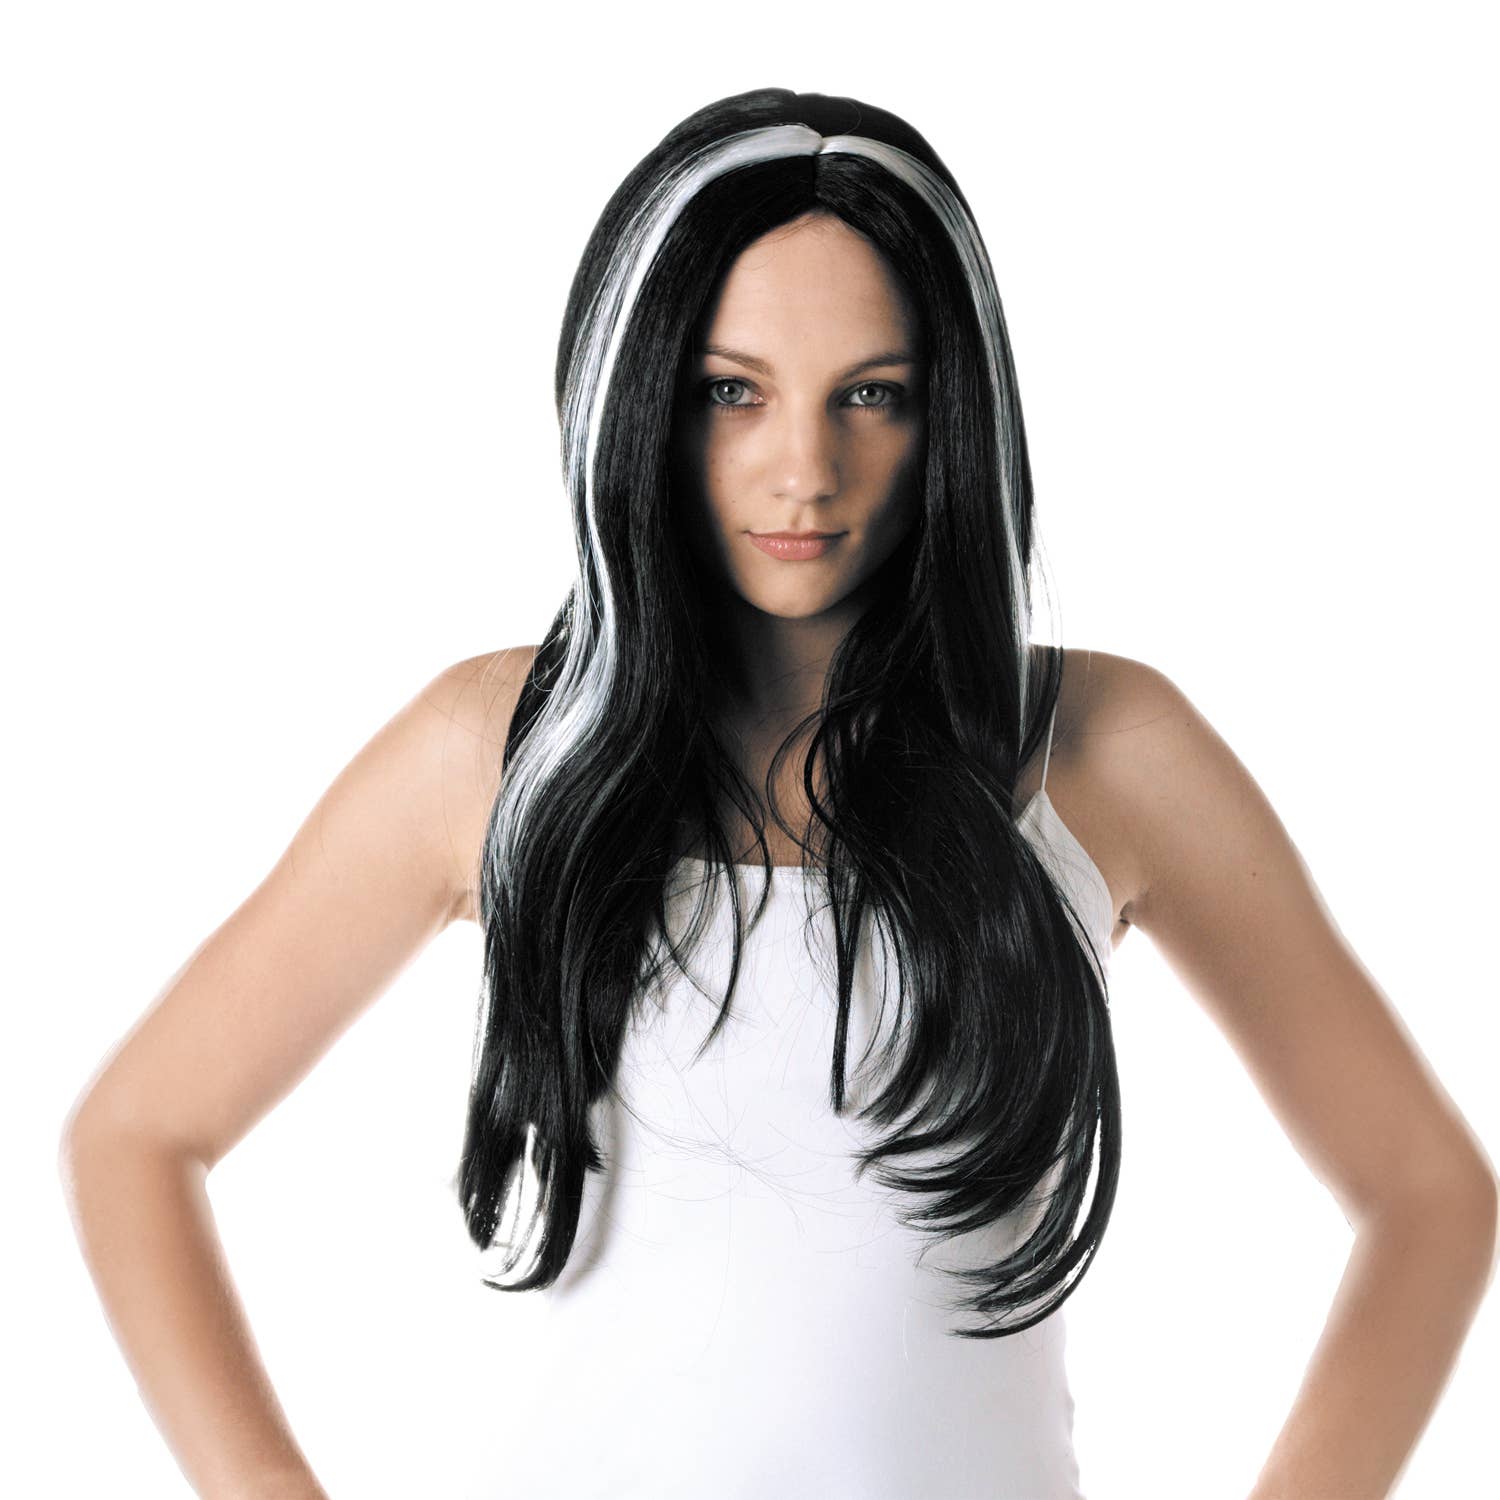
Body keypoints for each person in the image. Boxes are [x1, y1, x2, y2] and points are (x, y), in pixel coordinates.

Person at [59, 87, 1496, 1500]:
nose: (805, 471)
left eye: (873, 395)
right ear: (639, 403)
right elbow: (137, 1135)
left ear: (952, 418)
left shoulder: (1103, 749)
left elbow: (1429, 1196)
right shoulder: (499, 749)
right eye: (731, 392)